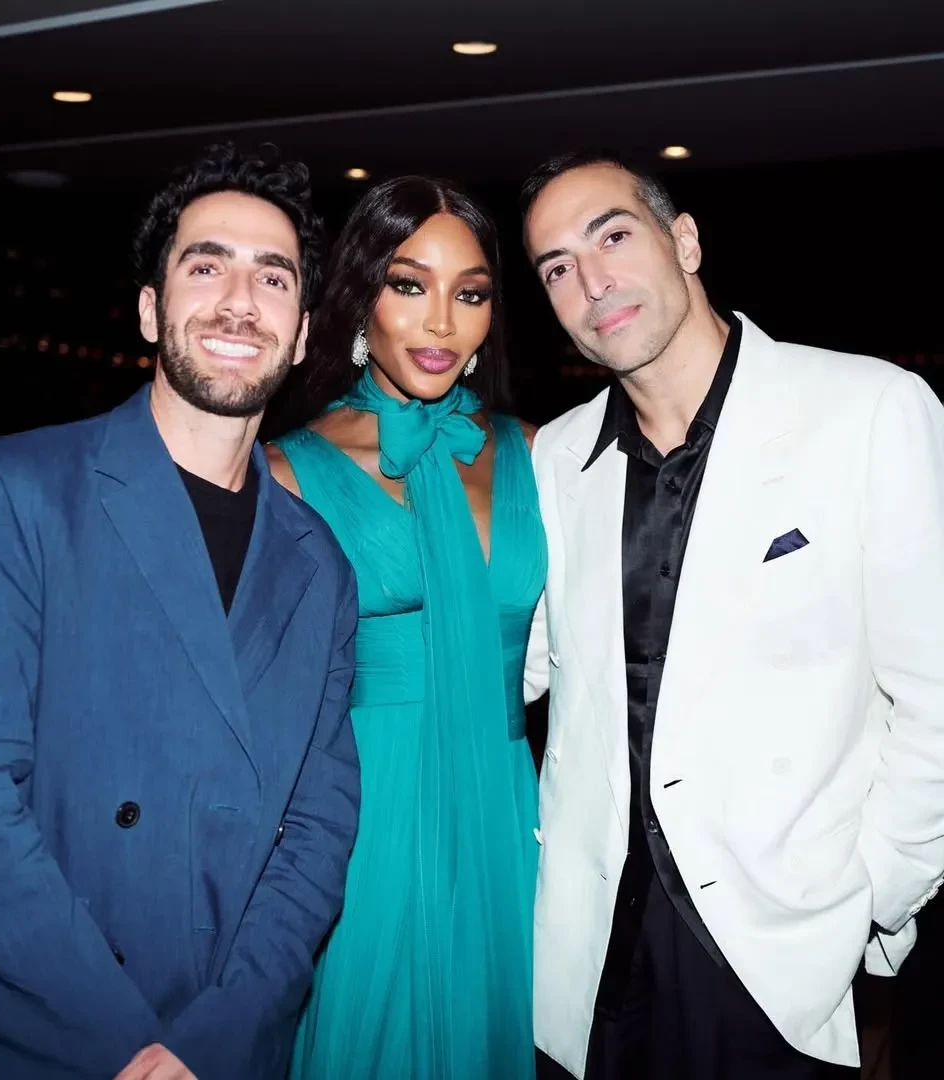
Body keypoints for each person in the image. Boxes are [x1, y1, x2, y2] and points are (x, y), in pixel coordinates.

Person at [0, 143, 361, 1080]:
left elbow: (316, 833)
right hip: (19, 1038)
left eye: (273, 277)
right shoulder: (10, 494)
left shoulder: (321, 568)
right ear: (148, 308)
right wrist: (122, 1049)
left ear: (302, 334)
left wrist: (216, 1037)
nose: (239, 301)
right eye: (206, 266)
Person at [520, 151, 944, 1080]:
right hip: (592, 950)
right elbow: (520, 667)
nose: (591, 282)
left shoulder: (869, 410)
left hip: (777, 955)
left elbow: (935, 698)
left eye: (613, 237)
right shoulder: (556, 457)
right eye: (556, 268)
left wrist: (872, 897)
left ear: (684, 241)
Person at [268, 176, 544, 1080]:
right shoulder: (285, 474)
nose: (441, 322)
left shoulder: (539, 454)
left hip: (511, 807)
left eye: (471, 293)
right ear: (360, 297)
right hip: (368, 813)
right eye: (408, 284)